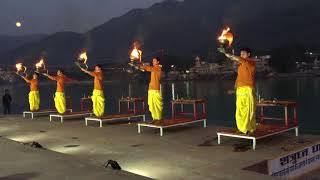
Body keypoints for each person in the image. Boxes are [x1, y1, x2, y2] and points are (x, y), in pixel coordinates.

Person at [219, 47, 256, 134]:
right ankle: (242, 128)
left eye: (244, 53)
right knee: (239, 111)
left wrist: (229, 54)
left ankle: (248, 128)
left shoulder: (250, 62)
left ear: (248, 54)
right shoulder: (240, 66)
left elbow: (235, 58)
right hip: (240, 90)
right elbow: (238, 77)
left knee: (248, 110)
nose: (242, 55)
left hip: (248, 89)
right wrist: (225, 53)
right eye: (241, 54)